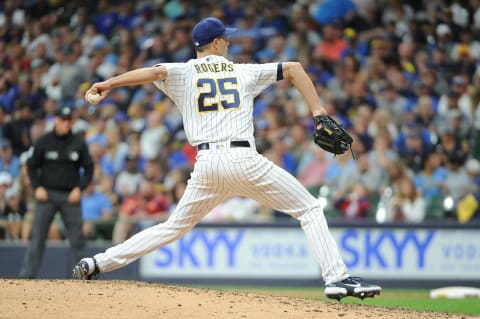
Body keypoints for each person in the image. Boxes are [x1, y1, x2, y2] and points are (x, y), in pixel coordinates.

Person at [72, 17, 381, 300]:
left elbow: (154, 72)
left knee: (173, 227)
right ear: (217, 43)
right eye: (226, 39)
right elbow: (295, 68)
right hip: (243, 159)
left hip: (206, 164)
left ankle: (97, 262)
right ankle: (337, 278)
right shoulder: (242, 70)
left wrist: (109, 83)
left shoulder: (182, 72)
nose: (230, 43)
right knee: (310, 208)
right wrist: (318, 112)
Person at [19, 105, 94, 278]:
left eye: (69, 120)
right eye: (63, 120)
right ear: (56, 121)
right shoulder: (44, 141)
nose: (66, 123)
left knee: (77, 239)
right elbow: (31, 165)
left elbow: (89, 168)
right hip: (47, 195)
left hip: (71, 196)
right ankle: (26, 277)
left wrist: (79, 189)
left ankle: (85, 277)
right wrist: (37, 187)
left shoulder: (78, 142)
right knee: (37, 238)